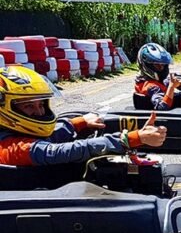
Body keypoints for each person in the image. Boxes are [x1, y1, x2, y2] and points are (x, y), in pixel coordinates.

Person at [0, 65, 166, 166]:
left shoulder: (17, 136)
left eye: (41, 104)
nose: (39, 112)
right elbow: (61, 151)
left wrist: (79, 122)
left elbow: (51, 135)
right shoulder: (11, 148)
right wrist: (129, 139)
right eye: (29, 106)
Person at [134, 43, 181, 111]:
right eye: (157, 65)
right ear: (147, 65)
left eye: (163, 65)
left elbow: (167, 81)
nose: (161, 68)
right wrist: (171, 87)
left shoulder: (154, 81)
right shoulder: (152, 87)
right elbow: (162, 107)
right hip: (167, 118)